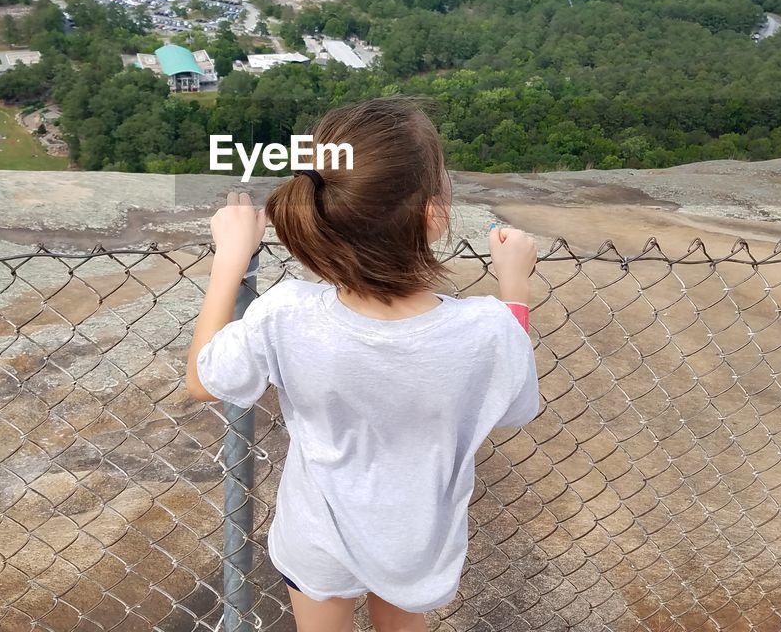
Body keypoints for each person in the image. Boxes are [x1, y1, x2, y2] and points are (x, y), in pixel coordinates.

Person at [185, 98, 540, 632]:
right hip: (416, 541)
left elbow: (205, 380)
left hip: (317, 538)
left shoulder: (286, 312)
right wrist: (515, 287)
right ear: (432, 216)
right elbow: (512, 405)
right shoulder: (487, 329)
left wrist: (230, 260)